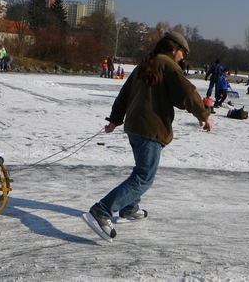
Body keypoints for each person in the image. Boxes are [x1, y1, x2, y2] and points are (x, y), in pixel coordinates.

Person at [85, 31, 212, 240]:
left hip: (135, 128)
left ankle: (130, 208)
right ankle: (102, 210)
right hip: (149, 129)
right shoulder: (168, 64)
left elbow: (125, 94)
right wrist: (204, 114)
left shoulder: (146, 63)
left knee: (141, 171)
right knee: (143, 177)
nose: (183, 57)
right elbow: (188, 93)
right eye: (182, 53)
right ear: (174, 50)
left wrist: (116, 119)